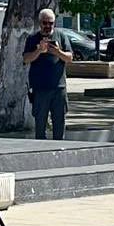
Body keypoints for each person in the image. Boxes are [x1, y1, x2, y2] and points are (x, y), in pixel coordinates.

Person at [24, 8, 72, 140]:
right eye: (45, 23)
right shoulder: (32, 39)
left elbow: (69, 58)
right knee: (40, 125)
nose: (48, 26)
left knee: (59, 124)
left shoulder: (61, 36)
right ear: (40, 23)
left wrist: (57, 52)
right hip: (40, 89)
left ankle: (59, 149)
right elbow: (26, 59)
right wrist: (39, 51)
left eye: (51, 23)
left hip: (59, 89)